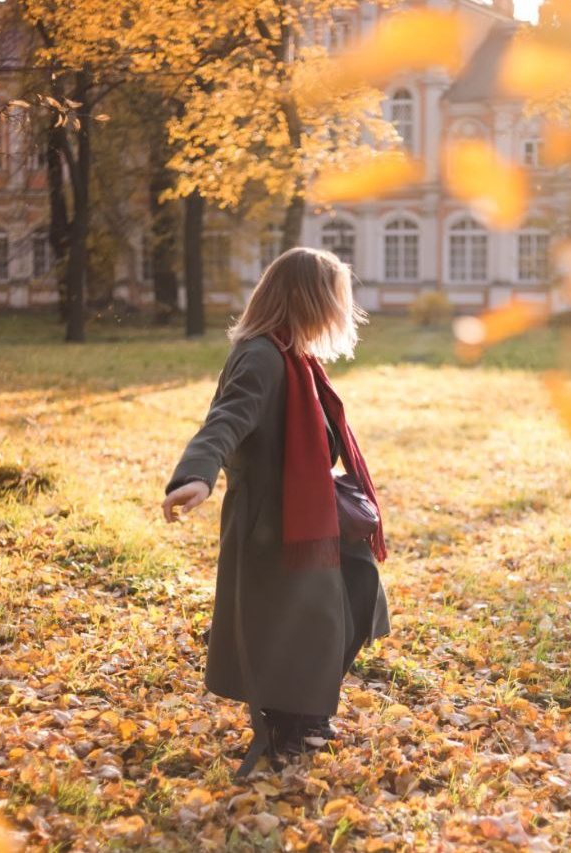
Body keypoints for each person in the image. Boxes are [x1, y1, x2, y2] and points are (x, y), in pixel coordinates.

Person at [161, 247, 390, 777]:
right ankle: (293, 723)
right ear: (305, 298)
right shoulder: (262, 356)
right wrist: (196, 474)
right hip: (272, 521)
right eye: (333, 296)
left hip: (304, 512)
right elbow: (225, 420)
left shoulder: (294, 354)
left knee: (351, 593)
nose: (340, 308)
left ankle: (299, 716)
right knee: (298, 623)